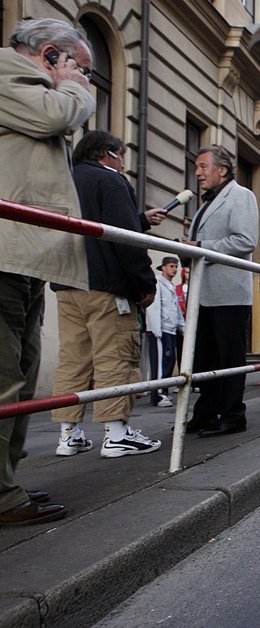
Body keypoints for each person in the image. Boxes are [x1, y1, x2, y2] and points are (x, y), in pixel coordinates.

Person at [0, 17, 94, 525]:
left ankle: (6, 484)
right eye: (81, 67)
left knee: (19, 376)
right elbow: (52, 118)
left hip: (23, 257)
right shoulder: (8, 75)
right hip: (4, 253)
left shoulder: (30, 86)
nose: (84, 79)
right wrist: (74, 89)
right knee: (3, 379)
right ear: (51, 54)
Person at [49, 130, 162, 458]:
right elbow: (124, 237)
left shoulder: (67, 178)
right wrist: (145, 282)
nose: (123, 162)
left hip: (67, 282)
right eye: (121, 155)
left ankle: (68, 434)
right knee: (115, 355)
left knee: (73, 357)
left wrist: (141, 220)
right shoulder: (110, 180)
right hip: (107, 285)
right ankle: (116, 433)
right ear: (108, 154)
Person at [182, 146, 258, 437]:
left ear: (222, 170)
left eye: (203, 166)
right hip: (203, 294)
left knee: (229, 359)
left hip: (228, 294)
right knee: (204, 359)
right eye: (196, 167)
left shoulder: (241, 196)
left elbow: (245, 240)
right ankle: (206, 413)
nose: (197, 172)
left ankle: (232, 415)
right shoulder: (205, 204)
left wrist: (200, 249)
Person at [145, 256, 185, 407]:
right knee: (160, 363)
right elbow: (154, 307)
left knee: (168, 361)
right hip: (160, 330)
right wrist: (156, 330)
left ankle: (163, 392)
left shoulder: (170, 286)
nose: (174, 269)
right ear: (163, 267)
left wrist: (183, 327)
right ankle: (158, 394)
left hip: (170, 329)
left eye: (175, 266)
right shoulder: (158, 283)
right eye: (171, 266)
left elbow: (175, 310)